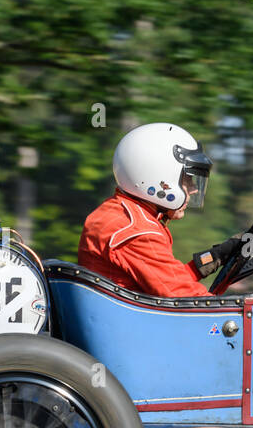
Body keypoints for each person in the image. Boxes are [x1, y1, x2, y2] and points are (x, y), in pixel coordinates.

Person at [78, 122, 239, 297]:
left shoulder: (120, 213)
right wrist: (249, 311)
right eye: (187, 179)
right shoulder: (137, 232)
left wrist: (216, 256)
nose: (193, 189)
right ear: (159, 176)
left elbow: (166, 281)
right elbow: (183, 298)